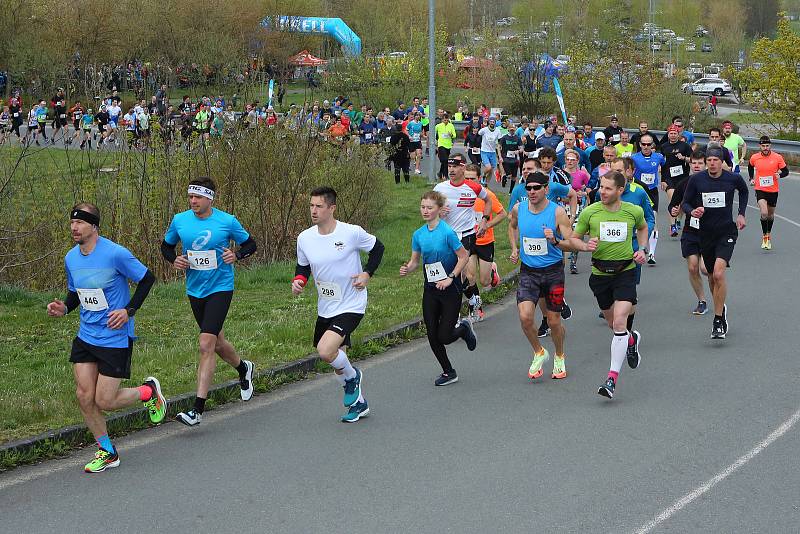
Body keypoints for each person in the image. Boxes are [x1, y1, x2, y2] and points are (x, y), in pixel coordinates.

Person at [47, 203, 166, 472]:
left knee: (105, 401)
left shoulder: (115, 254)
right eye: (71, 223)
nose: (74, 228)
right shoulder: (71, 258)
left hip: (114, 338)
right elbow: (76, 293)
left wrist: (128, 310)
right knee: (83, 395)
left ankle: (148, 392)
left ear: (94, 226)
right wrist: (64, 308)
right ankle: (107, 451)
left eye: (80, 223)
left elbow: (147, 279)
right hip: (86, 336)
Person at [161, 177, 258, 426]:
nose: (193, 201)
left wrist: (236, 254)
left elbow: (251, 244)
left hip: (221, 287)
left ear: (210, 199)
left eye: (198, 197)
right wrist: (174, 260)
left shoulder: (226, 221)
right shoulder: (180, 220)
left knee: (205, 344)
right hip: (195, 290)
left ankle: (197, 409)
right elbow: (166, 246)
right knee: (217, 343)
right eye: (190, 197)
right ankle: (243, 369)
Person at [293, 187, 385, 422]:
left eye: (319, 206)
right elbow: (303, 266)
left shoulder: (351, 233)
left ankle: (353, 378)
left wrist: (367, 274)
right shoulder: (305, 238)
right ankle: (359, 404)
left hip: (351, 303)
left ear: (331, 208)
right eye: (311, 206)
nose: (313, 211)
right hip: (326, 306)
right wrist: (299, 281)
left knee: (325, 350)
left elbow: (378, 248)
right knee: (337, 360)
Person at [566, 171, 649, 399]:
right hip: (600, 274)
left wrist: (642, 249)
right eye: (601, 187)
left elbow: (643, 228)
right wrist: (584, 246)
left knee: (621, 321)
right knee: (616, 327)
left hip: (625, 272)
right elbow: (574, 238)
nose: (602, 191)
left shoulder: (633, 211)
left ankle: (611, 379)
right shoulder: (591, 212)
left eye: (608, 188)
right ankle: (632, 339)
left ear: (620, 190)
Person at [400, 191, 476, 386]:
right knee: (432, 335)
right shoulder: (418, 234)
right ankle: (448, 372)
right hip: (431, 290)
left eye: (430, 208)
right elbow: (415, 261)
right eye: (423, 207)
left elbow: (463, 256)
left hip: (450, 289)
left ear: (439, 210)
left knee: (445, 336)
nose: (425, 211)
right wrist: (407, 268)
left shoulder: (447, 232)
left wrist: (451, 277)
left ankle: (464, 329)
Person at [508, 172, 576, 380]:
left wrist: (555, 240)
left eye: (536, 188)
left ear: (546, 189)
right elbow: (511, 227)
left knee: (554, 321)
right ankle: (539, 352)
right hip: (529, 272)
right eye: (528, 188)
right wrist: (514, 248)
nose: (532, 192)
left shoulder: (557, 213)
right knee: (525, 317)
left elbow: (572, 241)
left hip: (553, 272)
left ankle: (559, 355)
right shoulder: (519, 209)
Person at [681, 146, 748, 339]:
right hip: (706, 234)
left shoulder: (732, 178)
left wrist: (741, 214)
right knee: (711, 277)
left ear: (722, 162)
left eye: (715, 160)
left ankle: (718, 320)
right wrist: (692, 211)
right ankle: (721, 307)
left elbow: (743, 192)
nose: (712, 163)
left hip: (726, 231)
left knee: (719, 273)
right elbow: (685, 203)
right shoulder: (696, 180)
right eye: (709, 160)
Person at [434, 154, 492, 318]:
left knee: (458, 275)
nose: (451, 169)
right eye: (449, 166)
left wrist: (484, 221)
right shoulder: (440, 188)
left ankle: (453, 314)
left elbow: (488, 202)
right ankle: (474, 299)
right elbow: (427, 209)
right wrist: (437, 211)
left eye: (455, 166)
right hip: (445, 236)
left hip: (466, 236)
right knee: (456, 275)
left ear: (463, 168)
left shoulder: (474, 188)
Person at [669, 151, 711, 315]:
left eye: (700, 163)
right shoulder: (684, 184)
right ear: (690, 164)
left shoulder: (713, 182)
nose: (697, 166)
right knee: (693, 268)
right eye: (694, 163)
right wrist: (673, 210)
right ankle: (702, 301)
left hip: (710, 232)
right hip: (690, 231)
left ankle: (717, 292)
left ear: (706, 164)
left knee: (706, 270)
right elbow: (673, 205)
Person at [465, 164, 506, 320]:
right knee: (469, 276)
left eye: (472, 179)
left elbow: (502, 214)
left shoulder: (487, 195)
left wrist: (486, 225)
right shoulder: (460, 195)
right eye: (466, 178)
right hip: (467, 241)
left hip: (485, 241)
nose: (469, 182)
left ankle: (492, 270)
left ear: (479, 178)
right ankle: (476, 306)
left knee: (485, 281)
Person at [748, 135, 788, 250]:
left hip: (773, 190)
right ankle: (764, 237)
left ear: (770, 146)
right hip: (760, 189)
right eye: (763, 146)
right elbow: (750, 166)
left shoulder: (777, 157)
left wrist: (779, 175)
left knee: (770, 215)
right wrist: (751, 178)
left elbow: (786, 171)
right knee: (764, 213)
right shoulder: (755, 157)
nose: (765, 148)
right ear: (760, 146)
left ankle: (768, 234)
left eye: (767, 146)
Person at [630, 134, 665, 264]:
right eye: (643, 144)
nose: (646, 147)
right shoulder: (634, 158)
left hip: (652, 192)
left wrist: (665, 180)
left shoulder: (659, 157)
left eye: (648, 144)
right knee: (638, 221)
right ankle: (638, 247)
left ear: (652, 145)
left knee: (653, 221)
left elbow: (665, 168)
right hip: (639, 192)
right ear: (639, 145)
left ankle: (651, 254)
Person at [659, 125, 693, 237]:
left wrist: (684, 158)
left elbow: (693, 160)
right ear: (668, 135)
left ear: (678, 135)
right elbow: (661, 164)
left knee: (682, 202)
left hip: (682, 178)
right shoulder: (663, 146)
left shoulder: (685, 146)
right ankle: (672, 226)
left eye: (675, 133)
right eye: (671, 133)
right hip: (669, 177)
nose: (673, 135)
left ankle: (678, 219)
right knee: (673, 200)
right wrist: (663, 180)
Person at [497, 119, 522, 189]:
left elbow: (521, 148)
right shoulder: (504, 138)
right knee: (509, 175)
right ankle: (504, 176)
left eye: (513, 130)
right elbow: (498, 147)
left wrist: (519, 151)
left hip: (515, 159)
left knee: (514, 177)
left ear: (515, 130)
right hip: (506, 159)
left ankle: (511, 191)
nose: (512, 131)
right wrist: (500, 157)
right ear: (508, 129)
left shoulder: (517, 138)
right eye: (511, 130)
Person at [478, 117, 504, 186]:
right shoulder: (484, 130)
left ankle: (486, 184)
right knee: (488, 167)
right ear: (488, 122)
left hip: (492, 152)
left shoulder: (498, 131)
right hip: (484, 151)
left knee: (491, 170)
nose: (492, 123)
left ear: (495, 123)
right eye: (491, 121)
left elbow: (498, 144)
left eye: (493, 122)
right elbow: (478, 134)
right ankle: (483, 175)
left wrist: (500, 156)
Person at [435, 112, 457, 180]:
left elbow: (454, 135)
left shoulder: (451, 126)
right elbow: (433, 133)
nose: (446, 121)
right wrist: (435, 142)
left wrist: (451, 135)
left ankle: (440, 173)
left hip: (448, 145)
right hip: (441, 144)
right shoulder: (438, 126)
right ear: (442, 120)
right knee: (445, 160)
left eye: (447, 120)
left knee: (444, 161)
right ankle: (445, 175)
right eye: (444, 120)